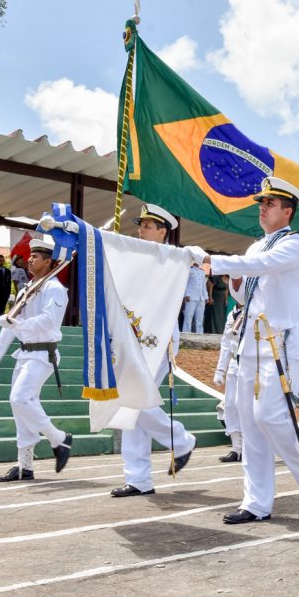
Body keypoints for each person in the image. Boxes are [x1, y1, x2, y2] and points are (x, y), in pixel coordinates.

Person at [188, 177, 299, 524]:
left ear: (287, 211)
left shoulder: (294, 244)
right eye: (261, 203)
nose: (261, 208)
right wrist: (231, 280)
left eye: (269, 204)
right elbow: (245, 297)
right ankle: (256, 503)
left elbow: (261, 267)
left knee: (269, 416)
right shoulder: (254, 247)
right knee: (249, 424)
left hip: (280, 342)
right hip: (250, 342)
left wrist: (215, 262)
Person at [110, 204, 197, 498]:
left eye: (148, 226)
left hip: (157, 338)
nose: (141, 230)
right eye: (141, 225)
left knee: (133, 399)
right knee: (131, 406)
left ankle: (180, 439)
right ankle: (139, 478)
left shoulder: (171, 259)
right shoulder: (133, 258)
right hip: (132, 335)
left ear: (163, 232)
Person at [0, 235, 73, 481]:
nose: (30, 260)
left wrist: (17, 324)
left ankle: (59, 438)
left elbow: (48, 321)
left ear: (48, 262)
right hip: (24, 353)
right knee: (20, 408)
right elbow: (11, 325)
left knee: (20, 399)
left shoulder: (54, 289)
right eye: (30, 256)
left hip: (43, 353)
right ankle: (25, 466)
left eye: (35, 257)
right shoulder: (27, 288)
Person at [214, 302, 245, 463]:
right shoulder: (232, 314)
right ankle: (236, 448)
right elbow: (226, 343)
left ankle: (248, 447)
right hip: (234, 362)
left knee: (244, 405)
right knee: (231, 406)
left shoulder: (255, 309)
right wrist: (221, 370)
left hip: (249, 362)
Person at [181, 262, 208, 333]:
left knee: (200, 318)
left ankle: (200, 334)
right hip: (191, 296)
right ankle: (186, 333)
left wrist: (206, 296)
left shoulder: (202, 272)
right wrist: (186, 294)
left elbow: (203, 285)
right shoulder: (189, 270)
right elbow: (184, 283)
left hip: (201, 297)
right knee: (188, 317)